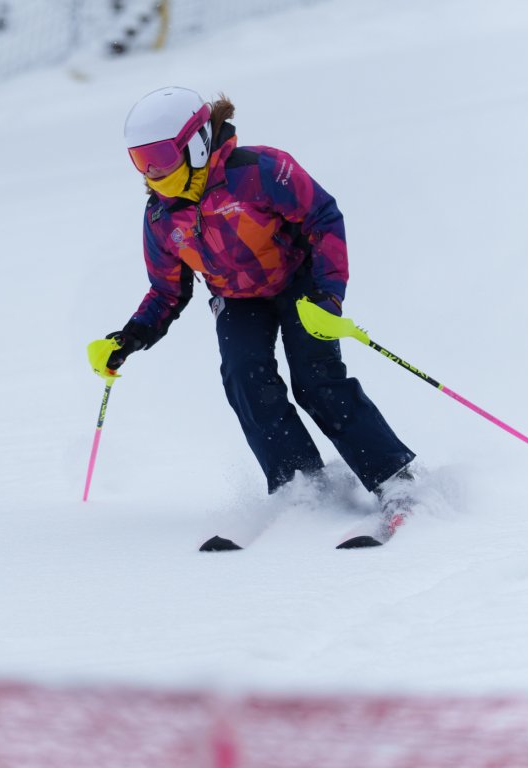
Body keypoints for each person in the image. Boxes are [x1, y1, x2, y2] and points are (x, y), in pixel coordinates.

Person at [87, 87, 417, 546]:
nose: (153, 171)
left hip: (300, 282)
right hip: (238, 298)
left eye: (161, 156)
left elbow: (323, 218)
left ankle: (393, 479)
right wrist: (129, 338)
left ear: (196, 143)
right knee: (244, 377)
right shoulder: (162, 216)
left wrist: (328, 297)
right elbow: (168, 289)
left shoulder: (258, 172)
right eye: (140, 160)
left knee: (315, 378)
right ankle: (301, 485)